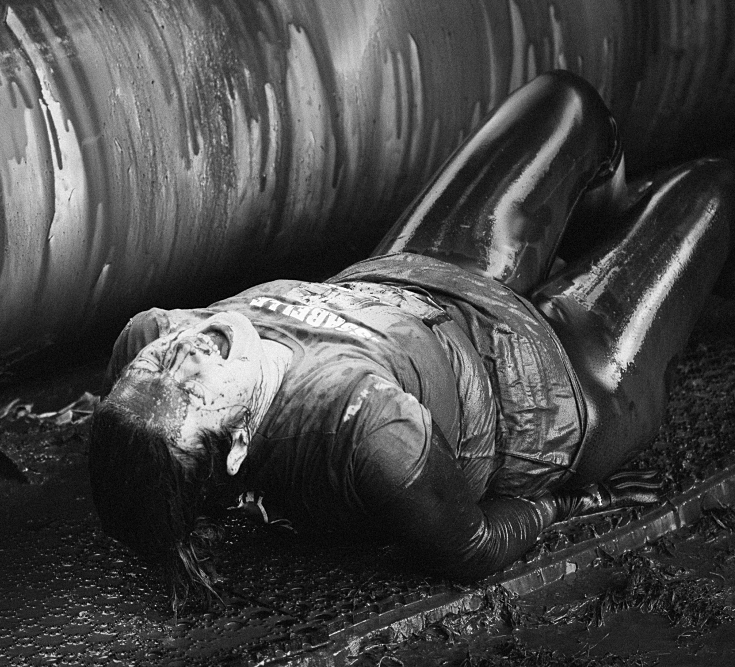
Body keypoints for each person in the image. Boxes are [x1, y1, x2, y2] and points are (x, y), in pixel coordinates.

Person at [88, 70, 735, 605]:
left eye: (156, 363)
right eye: (190, 386)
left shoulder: (151, 333)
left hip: (415, 274)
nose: (186, 349)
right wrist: (567, 504)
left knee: (570, 102)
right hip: (541, 386)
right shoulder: (365, 426)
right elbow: (471, 547)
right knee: (712, 188)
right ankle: (628, 252)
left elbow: (152, 427)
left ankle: (598, 223)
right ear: (236, 450)